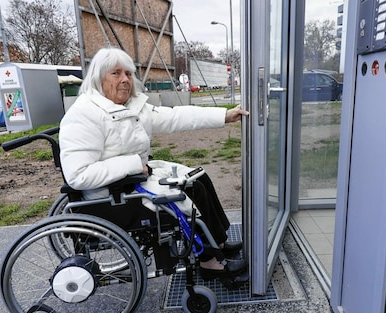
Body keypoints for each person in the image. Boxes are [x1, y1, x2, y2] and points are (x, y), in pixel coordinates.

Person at [59, 47, 249, 279]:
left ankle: (217, 242)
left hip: (133, 180)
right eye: (116, 74)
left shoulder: (130, 107)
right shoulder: (84, 114)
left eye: (128, 74)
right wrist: (133, 165)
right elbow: (78, 176)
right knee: (192, 190)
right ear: (99, 78)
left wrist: (224, 116)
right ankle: (209, 263)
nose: (125, 80)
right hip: (111, 196)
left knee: (200, 177)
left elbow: (175, 117)